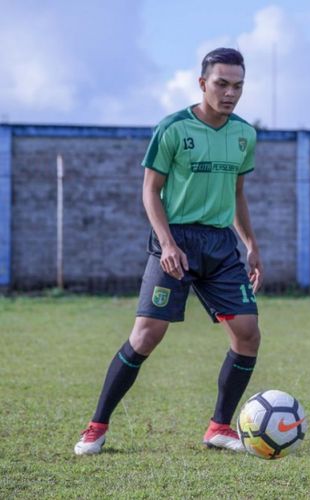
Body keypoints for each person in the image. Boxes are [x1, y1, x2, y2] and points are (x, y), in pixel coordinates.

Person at [74, 48, 263, 455]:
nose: (230, 93)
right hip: (175, 240)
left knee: (247, 335)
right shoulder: (173, 128)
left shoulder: (245, 134)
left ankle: (218, 427)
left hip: (221, 247)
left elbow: (238, 194)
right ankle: (96, 426)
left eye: (238, 86)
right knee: (146, 336)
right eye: (222, 84)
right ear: (202, 84)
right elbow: (150, 190)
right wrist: (168, 244)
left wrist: (251, 245)